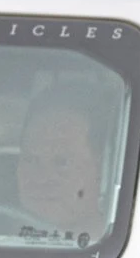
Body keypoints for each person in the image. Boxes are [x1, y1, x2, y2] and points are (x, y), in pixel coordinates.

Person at [16, 85, 114, 238]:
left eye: (62, 162)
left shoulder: (133, 254)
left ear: (104, 168)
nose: (42, 178)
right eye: (31, 160)